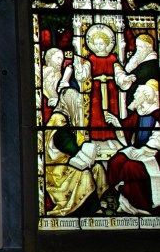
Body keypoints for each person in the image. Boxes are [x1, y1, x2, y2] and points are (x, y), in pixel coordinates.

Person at [44, 88, 108, 216]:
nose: (79, 108)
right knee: (84, 173)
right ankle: (88, 209)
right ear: (69, 103)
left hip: (66, 162)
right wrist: (83, 154)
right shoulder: (58, 119)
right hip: (56, 170)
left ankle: (101, 201)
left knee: (97, 168)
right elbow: (65, 143)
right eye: (77, 104)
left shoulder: (65, 118)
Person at [104, 79, 160, 215]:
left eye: (137, 94)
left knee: (131, 167)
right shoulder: (139, 112)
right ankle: (117, 197)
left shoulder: (157, 114)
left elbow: (157, 138)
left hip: (154, 154)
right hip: (139, 150)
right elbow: (127, 128)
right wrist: (117, 123)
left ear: (145, 96)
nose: (134, 96)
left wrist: (145, 150)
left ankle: (140, 206)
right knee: (117, 161)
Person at [74, 25, 121, 140]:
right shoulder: (92, 59)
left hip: (111, 90)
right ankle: (97, 138)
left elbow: (119, 72)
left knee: (112, 111)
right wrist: (79, 68)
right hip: (97, 90)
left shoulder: (112, 59)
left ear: (107, 43)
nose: (99, 47)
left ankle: (113, 138)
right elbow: (84, 74)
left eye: (101, 44)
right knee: (97, 113)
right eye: (96, 44)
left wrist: (124, 78)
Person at [115, 34, 160, 109]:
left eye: (141, 47)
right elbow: (127, 70)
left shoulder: (152, 64)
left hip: (144, 105)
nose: (138, 50)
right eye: (137, 46)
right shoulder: (140, 58)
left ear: (149, 48)